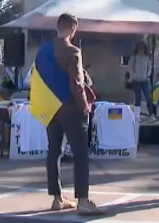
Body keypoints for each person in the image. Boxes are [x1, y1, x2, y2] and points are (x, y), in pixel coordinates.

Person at [40, 13, 104, 216]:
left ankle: (57, 198)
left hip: (51, 107)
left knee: (54, 151)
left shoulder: (43, 51)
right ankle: (83, 201)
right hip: (70, 109)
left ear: (57, 27)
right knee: (81, 154)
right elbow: (76, 84)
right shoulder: (73, 51)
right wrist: (85, 106)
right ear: (73, 29)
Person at [126, 42, 153, 119]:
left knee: (148, 97)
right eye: (140, 48)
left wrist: (148, 75)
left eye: (143, 48)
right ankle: (137, 115)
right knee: (138, 98)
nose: (141, 50)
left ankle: (151, 114)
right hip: (136, 80)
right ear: (137, 49)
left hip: (145, 80)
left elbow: (149, 67)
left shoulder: (146, 58)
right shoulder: (134, 57)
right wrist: (134, 75)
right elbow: (130, 68)